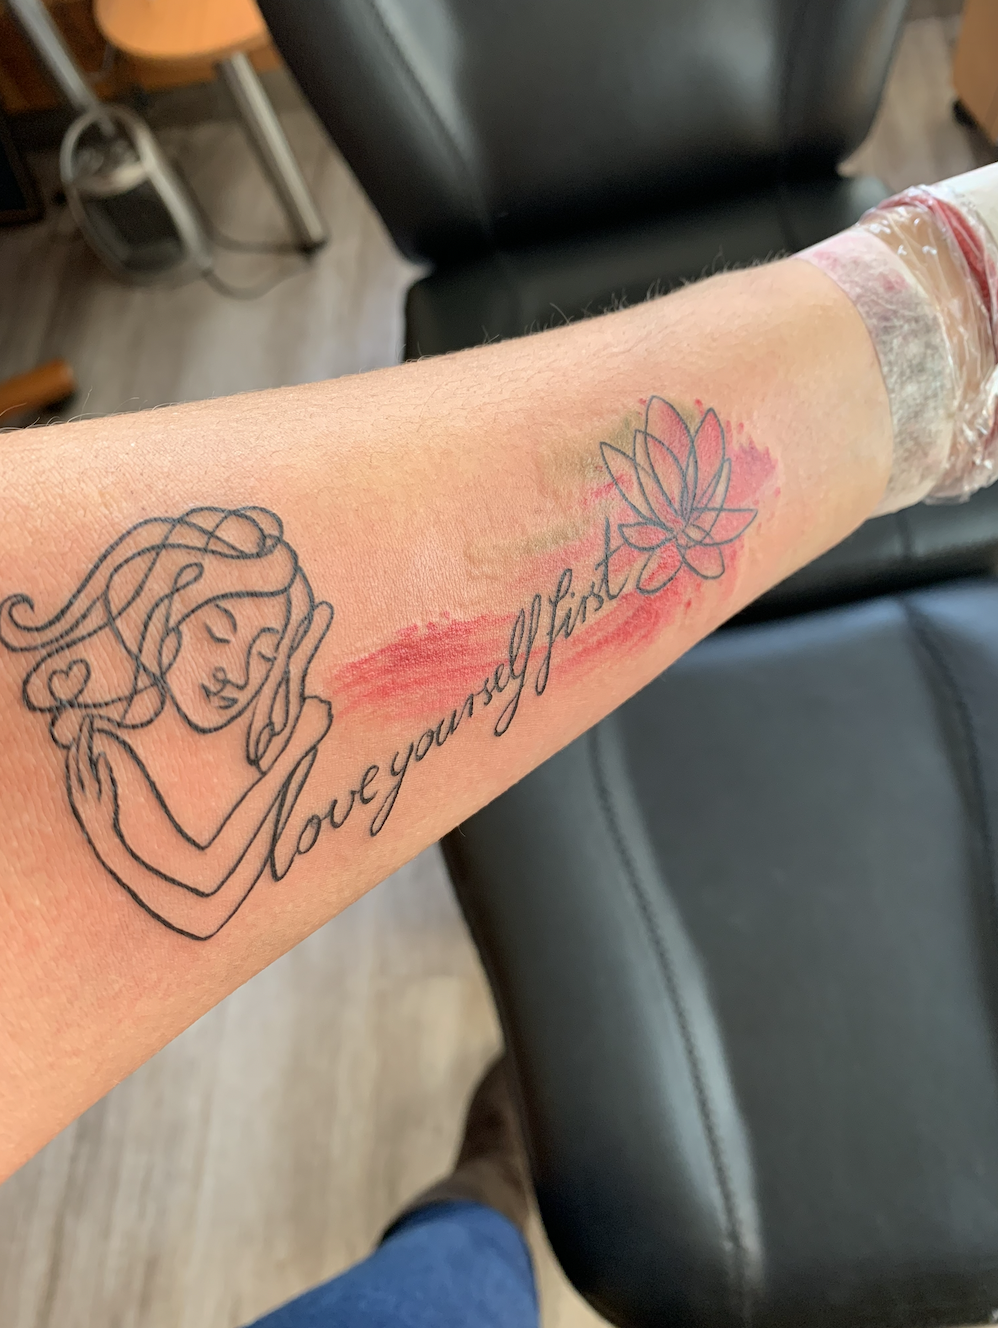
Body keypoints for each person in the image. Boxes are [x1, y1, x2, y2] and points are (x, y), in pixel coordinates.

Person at [2, 162, 998, 1324]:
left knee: (438, 1272)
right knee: (452, 1288)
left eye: (262, 643)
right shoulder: (113, 759)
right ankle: (475, 1205)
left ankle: (476, 1191)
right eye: (221, 628)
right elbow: (192, 873)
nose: (236, 670)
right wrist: (926, 334)